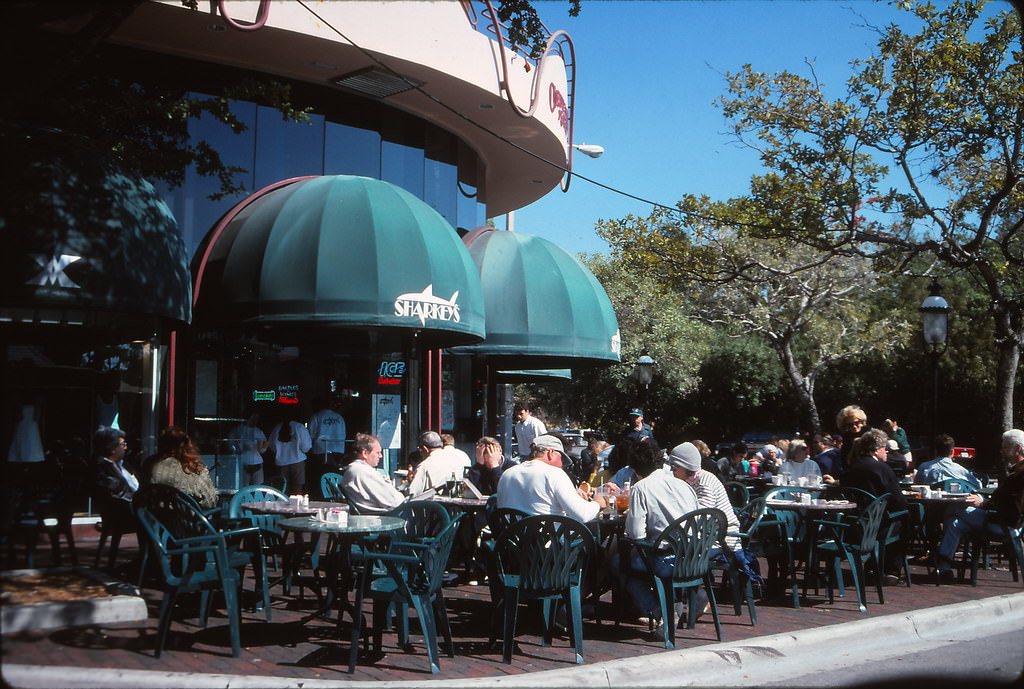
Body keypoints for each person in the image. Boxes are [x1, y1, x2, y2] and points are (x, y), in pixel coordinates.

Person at [619, 440, 702, 629]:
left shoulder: (641, 488)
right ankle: (671, 602)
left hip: (666, 560)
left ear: (635, 470)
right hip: (693, 558)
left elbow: (636, 535)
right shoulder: (684, 486)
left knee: (619, 563)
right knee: (642, 559)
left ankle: (659, 610)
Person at [934, 429, 1024, 578]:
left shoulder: (1019, 474)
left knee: (954, 507)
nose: (1001, 451)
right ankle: (944, 568)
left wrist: (983, 503)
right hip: (1011, 524)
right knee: (955, 523)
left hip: (1004, 525)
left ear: (1018, 448)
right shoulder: (1017, 472)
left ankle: (938, 558)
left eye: (1005, 447)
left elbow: (1011, 506)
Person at [496, 434, 608, 520]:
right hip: (548, 542)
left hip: (513, 541)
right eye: (561, 459)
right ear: (551, 453)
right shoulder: (554, 473)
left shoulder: (507, 474)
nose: (562, 464)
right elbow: (583, 515)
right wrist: (597, 503)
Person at [671, 442, 740, 551]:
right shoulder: (692, 480)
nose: (671, 470)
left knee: (679, 553)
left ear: (686, 466)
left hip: (724, 539)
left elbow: (701, 517)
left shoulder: (703, 483)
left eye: (674, 467)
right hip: (710, 534)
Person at [149, 426, 218, 510]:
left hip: (153, 517)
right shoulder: (193, 470)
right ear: (188, 446)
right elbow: (210, 503)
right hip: (185, 517)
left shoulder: (150, 465)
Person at [340, 433, 404, 513]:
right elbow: (395, 502)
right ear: (365, 453)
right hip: (383, 516)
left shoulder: (357, 469)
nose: (380, 456)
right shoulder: (363, 472)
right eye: (377, 452)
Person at [91, 426, 138, 532]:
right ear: (111, 448)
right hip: (123, 515)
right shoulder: (101, 468)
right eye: (123, 444)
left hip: (136, 510)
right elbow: (116, 494)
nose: (125, 448)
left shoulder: (125, 465)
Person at [306, 398, 346, 499]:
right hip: (339, 449)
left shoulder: (316, 417)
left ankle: (322, 496)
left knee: (321, 475)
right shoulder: (339, 417)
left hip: (321, 450)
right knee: (335, 474)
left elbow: (309, 435)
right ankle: (334, 495)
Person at [407, 430, 466, 495]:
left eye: (420, 450)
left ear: (425, 449)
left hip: (432, 501)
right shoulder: (457, 460)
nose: (420, 453)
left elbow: (412, 494)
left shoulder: (424, 466)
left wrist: (411, 482)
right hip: (455, 499)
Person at [915, 434, 981, 490]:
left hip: (932, 501)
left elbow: (916, 486)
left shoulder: (924, 467)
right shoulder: (961, 470)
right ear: (952, 451)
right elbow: (978, 486)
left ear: (936, 450)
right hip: (956, 501)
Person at [269, 412, 312, 495]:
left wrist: (280, 453)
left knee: (282, 490)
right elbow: (306, 446)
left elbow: (272, 445)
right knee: (297, 491)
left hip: (281, 463)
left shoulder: (277, 428)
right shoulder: (299, 427)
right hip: (298, 461)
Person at [236, 414, 268, 486]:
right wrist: (243, 449)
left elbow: (262, 450)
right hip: (244, 463)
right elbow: (233, 447)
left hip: (257, 463)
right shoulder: (240, 430)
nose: (254, 420)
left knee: (258, 487)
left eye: (256, 418)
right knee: (245, 487)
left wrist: (263, 447)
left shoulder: (259, 432)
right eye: (252, 418)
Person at [836, 404, 868, 469]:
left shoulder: (870, 433)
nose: (854, 426)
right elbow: (845, 460)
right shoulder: (846, 438)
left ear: (861, 421)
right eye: (850, 425)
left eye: (856, 423)